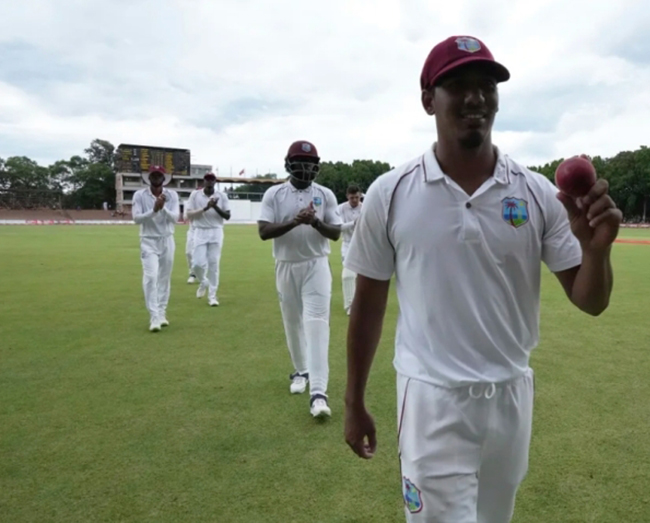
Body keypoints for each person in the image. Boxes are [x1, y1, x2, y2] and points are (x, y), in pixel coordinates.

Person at [342, 35, 623, 522]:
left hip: (511, 397)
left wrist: (597, 251)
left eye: (486, 86)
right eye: (458, 86)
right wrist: (354, 401)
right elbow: (368, 305)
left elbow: (590, 300)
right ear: (429, 99)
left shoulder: (536, 193)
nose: (476, 98)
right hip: (432, 399)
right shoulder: (391, 193)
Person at [258, 140, 342, 418]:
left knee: (316, 324)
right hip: (286, 265)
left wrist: (315, 222)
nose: (306, 169)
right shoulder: (274, 193)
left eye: (310, 164)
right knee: (292, 323)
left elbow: (335, 233)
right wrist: (296, 221)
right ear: (289, 164)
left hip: (316, 265)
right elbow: (264, 231)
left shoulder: (325, 194)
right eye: (301, 163)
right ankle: (301, 371)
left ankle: (318, 393)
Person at [131, 165, 180, 332]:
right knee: (151, 277)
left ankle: (161, 313)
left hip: (167, 239)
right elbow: (136, 219)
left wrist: (163, 207)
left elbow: (175, 218)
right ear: (149, 178)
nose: (157, 178)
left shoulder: (172, 195)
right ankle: (154, 316)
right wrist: (153, 210)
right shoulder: (140, 195)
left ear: (163, 178)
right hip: (148, 241)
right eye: (154, 175)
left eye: (160, 175)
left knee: (164, 278)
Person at [186, 173, 231, 306]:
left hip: (216, 231)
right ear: (204, 181)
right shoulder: (195, 195)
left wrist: (215, 206)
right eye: (207, 180)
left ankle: (212, 296)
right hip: (200, 230)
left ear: (215, 182)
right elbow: (189, 214)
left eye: (212, 180)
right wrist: (206, 207)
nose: (210, 182)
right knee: (197, 264)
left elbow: (227, 216)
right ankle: (203, 281)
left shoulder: (222, 196)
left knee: (214, 264)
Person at [337, 184, 362, 315]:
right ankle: (350, 306)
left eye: (357, 197)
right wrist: (354, 223)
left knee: (364, 276)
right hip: (347, 244)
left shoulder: (366, 208)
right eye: (352, 198)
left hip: (363, 245)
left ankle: (363, 304)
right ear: (347, 196)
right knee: (348, 275)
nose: (354, 200)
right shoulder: (340, 208)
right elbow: (338, 227)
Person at [184, 186, 202, 284]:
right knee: (188, 252)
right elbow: (186, 216)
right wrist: (197, 212)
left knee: (201, 255)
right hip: (192, 230)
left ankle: (197, 274)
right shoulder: (189, 204)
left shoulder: (205, 204)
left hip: (202, 231)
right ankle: (192, 273)